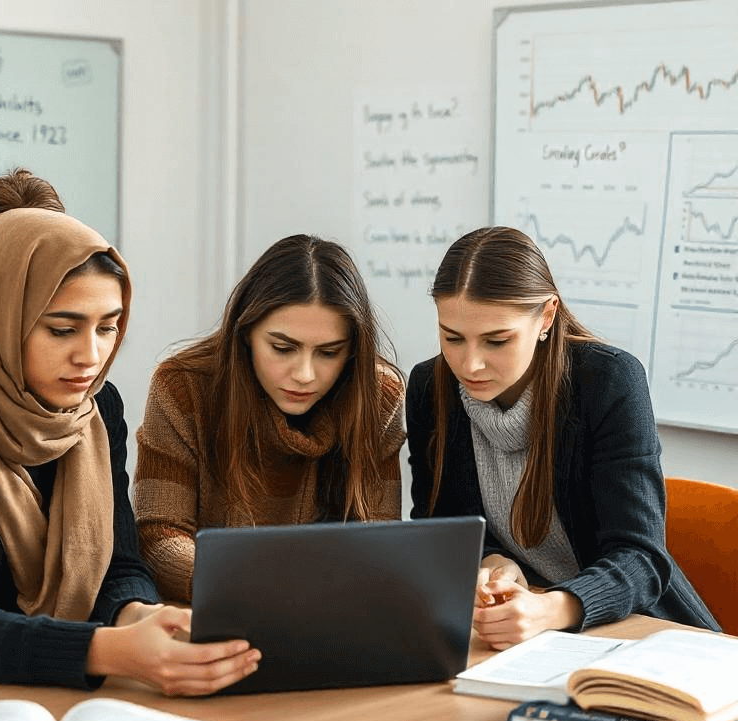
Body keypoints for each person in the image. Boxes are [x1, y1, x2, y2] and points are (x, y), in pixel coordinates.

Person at [0, 169, 259, 694]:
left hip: (37, 687)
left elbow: (119, 565)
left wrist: (137, 618)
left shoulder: (96, 407)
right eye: (62, 329)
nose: (91, 356)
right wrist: (111, 651)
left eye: (108, 327)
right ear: (0, 316)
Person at [406, 225, 718, 649]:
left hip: (643, 633)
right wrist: (494, 561)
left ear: (546, 316)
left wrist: (552, 609)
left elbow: (642, 559)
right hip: (526, 641)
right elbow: (438, 530)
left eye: (497, 340)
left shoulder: (608, 382)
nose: (470, 364)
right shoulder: (430, 387)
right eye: (452, 337)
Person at [133, 234, 406, 602]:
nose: (305, 374)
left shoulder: (377, 396)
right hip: (219, 610)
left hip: (331, 614)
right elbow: (159, 535)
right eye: (282, 348)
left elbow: (378, 538)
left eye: (328, 353)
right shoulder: (182, 388)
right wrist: (256, 584)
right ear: (245, 333)